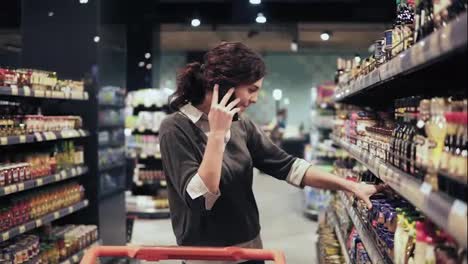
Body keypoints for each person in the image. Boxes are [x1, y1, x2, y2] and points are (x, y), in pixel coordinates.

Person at [159, 42, 382, 264]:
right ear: (225, 86)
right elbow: (200, 199)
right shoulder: (175, 128)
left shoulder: (242, 124)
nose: (255, 98)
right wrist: (217, 135)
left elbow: (288, 166)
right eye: (251, 89)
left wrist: (351, 186)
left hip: (250, 247)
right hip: (206, 257)